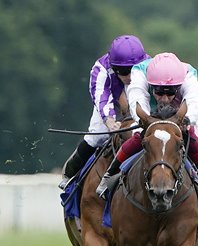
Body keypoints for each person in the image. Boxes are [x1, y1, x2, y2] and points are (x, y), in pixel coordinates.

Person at [96, 52, 198, 201]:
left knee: (191, 137)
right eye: (159, 92)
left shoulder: (188, 74)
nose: (165, 99)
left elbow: (194, 99)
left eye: (171, 92)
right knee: (138, 137)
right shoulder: (140, 72)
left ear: (178, 85)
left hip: (178, 113)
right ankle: (109, 175)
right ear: (151, 84)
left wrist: (187, 119)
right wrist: (145, 119)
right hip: (150, 113)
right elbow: (137, 98)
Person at [58, 34, 150, 189]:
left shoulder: (150, 66)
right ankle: (70, 172)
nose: (128, 76)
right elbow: (101, 95)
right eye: (123, 71)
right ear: (113, 67)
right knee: (98, 136)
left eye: (132, 71)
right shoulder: (100, 68)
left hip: (141, 100)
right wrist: (109, 120)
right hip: (109, 102)